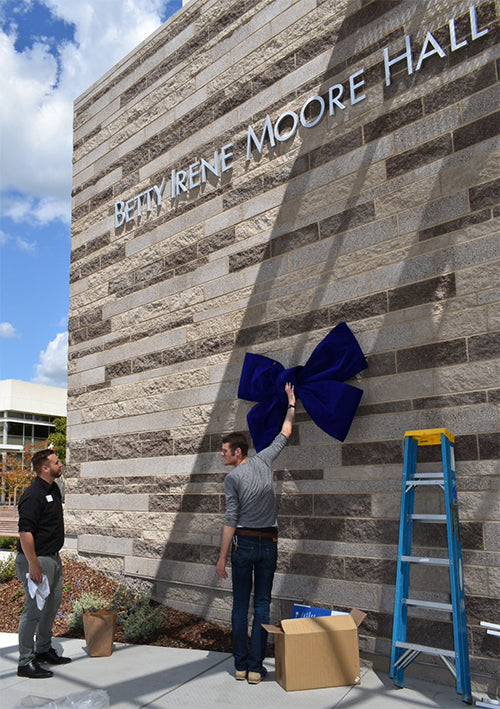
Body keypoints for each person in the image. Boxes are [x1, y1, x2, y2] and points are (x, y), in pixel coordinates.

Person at [216, 382, 296, 684]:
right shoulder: (264, 460)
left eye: (225, 452)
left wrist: (222, 557)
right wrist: (291, 402)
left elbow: (231, 520)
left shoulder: (233, 479)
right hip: (269, 544)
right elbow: (285, 433)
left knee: (240, 605)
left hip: (244, 544)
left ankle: (240, 665)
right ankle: (255, 668)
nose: (222, 456)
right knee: (261, 604)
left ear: (238, 452)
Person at [15, 448, 71, 678]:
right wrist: (34, 564)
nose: (61, 465)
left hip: (52, 557)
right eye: (57, 463)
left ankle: (42, 650)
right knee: (34, 610)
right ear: (45, 468)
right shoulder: (32, 494)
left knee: (52, 605)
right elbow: (25, 532)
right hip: (36, 560)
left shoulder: (53, 489)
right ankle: (24, 662)